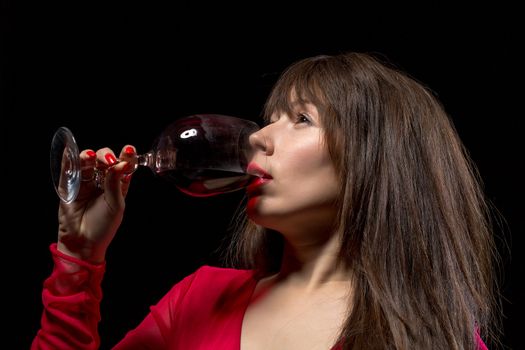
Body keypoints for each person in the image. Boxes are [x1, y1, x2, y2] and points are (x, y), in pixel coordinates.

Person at [32, 52, 501, 349]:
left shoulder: (436, 338)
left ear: (376, 158)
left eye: (300, 118)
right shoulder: (199, 299)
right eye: (268, 119)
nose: (258, 138)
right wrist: (80, 255)